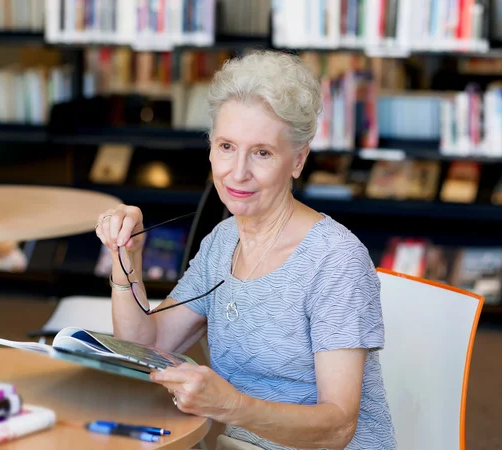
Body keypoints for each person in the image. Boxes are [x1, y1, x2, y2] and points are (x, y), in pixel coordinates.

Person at [95, 50, 396, 450]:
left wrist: (232, 406)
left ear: (298, 160)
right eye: (226, 147)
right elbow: (147, 346)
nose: (237, 173)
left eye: (262, 152)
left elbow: (338, 427)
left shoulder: (335, 259)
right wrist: (126, 258)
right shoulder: (223, 241)